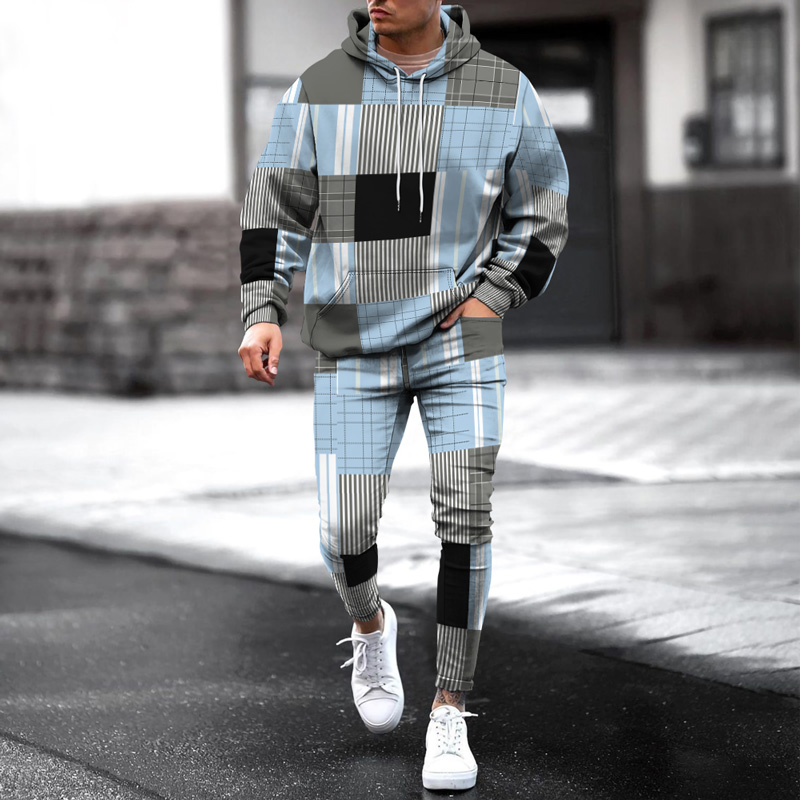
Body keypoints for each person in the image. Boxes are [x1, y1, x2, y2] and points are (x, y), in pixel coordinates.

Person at [237, 0, 569, 791]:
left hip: (462, 341)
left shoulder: (503, 89)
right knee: (342, 527)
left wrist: (493, 296)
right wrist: (262, 309)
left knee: (466, 515)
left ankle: (450, 706)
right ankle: (370, 623)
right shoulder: (319, 88)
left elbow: (545, 207)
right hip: (353, 340)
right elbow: (272, 205)